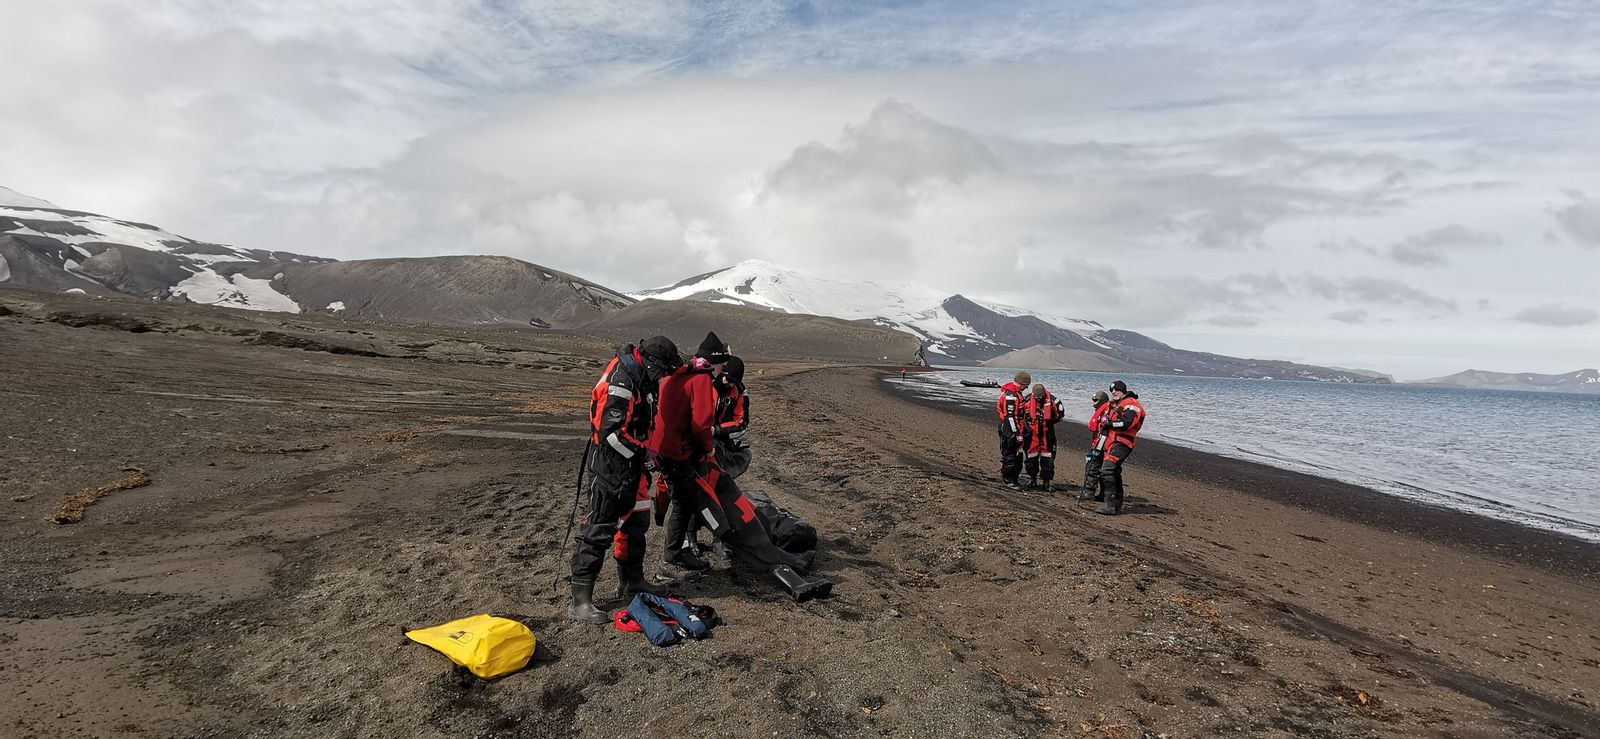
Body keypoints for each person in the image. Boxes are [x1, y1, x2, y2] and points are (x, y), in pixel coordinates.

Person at [654, 332, 831, 601]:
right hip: (689, 459)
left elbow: (728, 420)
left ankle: (681, 553)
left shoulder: (674, 376)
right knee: (712, 514)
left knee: (691, 504)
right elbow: (701, 424)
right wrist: (707, 446)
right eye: (722, 365)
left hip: (676, 457)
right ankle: (677, 557)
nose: (723, 371)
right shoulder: (700, 380)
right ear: (714, 362)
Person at [568, 336, 682, 624]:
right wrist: (642, 454)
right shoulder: (622, 380)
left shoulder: (641, 376)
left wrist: (645, 455)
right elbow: (610, 433)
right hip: (612, 465)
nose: (665, 376)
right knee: (599, 528)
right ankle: (580, 600)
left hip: (633, 465)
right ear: (654, 364)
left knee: (636, 522)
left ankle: (632, 581)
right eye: (664, 371)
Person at [1095, 380, 1146, 515]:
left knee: (1107, 470)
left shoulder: (1132, 404)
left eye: (1116, 389)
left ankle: (1110, 505)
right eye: (1112, 390)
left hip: (1123, 443)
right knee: (1114, 471)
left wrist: (1109, 423)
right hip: (1111, 442)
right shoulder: (1114, 404)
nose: (1113, 392)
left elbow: (1127, 423)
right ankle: (1116, 504)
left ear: (1123, 390)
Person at [1022, 383, 1065, 491]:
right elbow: (1021, 414)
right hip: (1031, 434)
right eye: (1036, 398)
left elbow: (1060, 416)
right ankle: (1032, 480)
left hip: (1047, 434)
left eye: (1040, 398)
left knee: (1048, 458)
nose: (1038, 400)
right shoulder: (1026, 400)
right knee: (1031, 457)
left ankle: (1046, 483)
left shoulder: (1054, 402)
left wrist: (1049, 423)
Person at [995, 371, 1031, 490]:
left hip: (1015, 427)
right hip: (1008, 429)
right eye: (1026, 385)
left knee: (1017, 455)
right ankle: (1008, 480)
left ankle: (1013, 479)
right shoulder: (1011, 395)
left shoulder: (1016, 394)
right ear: (1022, 383)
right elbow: (1009, 416)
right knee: (1010, 454)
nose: (1027, 388)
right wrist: (1015, 433)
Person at [1078, 390, 1112, 501]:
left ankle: (1089, 492)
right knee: (1101, 468)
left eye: (1096, 400)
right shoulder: (1107, 410)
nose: (1093, 403)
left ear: (1101, 401)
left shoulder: (1106, 411)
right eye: (1093, 400)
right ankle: (1103, 494)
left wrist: (1097, 447)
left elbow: (1103, 430)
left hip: (1101, 444)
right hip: (1104, 444)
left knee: (1092, 465)